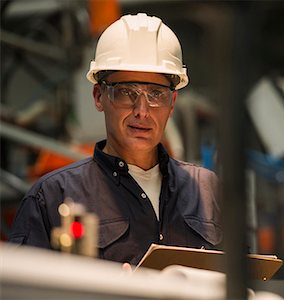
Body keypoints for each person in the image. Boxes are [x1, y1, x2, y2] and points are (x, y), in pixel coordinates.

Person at [8, 13, 222, 266]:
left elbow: (243, 278)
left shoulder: (207, 190)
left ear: (172, 102)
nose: (142, 110)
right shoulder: (53, 197)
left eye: (156, 93)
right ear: (99, 96)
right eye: (127, 92)